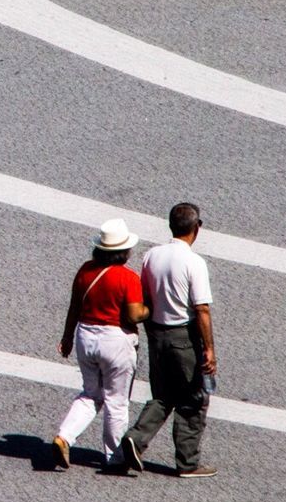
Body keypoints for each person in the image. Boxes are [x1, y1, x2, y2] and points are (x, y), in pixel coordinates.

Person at [120, 202, 217, 478]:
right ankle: (188, 462)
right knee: (193, 399)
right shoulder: (194, 262)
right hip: (183, 336)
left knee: (162, 396)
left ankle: (135, 439)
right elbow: (201, 309)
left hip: (157, 334)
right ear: (196, 228)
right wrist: (209, 349)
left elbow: (146, 295)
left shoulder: (151, 255)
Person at [51, 218, 150, 470]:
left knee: (90, 395)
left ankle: (64, 437)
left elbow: (74, 306)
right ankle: (114, 457)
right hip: (116, 341)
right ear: (124, 251)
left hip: (85, 336)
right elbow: (134, 314)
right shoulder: (128, 278)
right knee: (116, 401)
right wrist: (150, 308)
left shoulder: (85, 270)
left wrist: (66, 337)